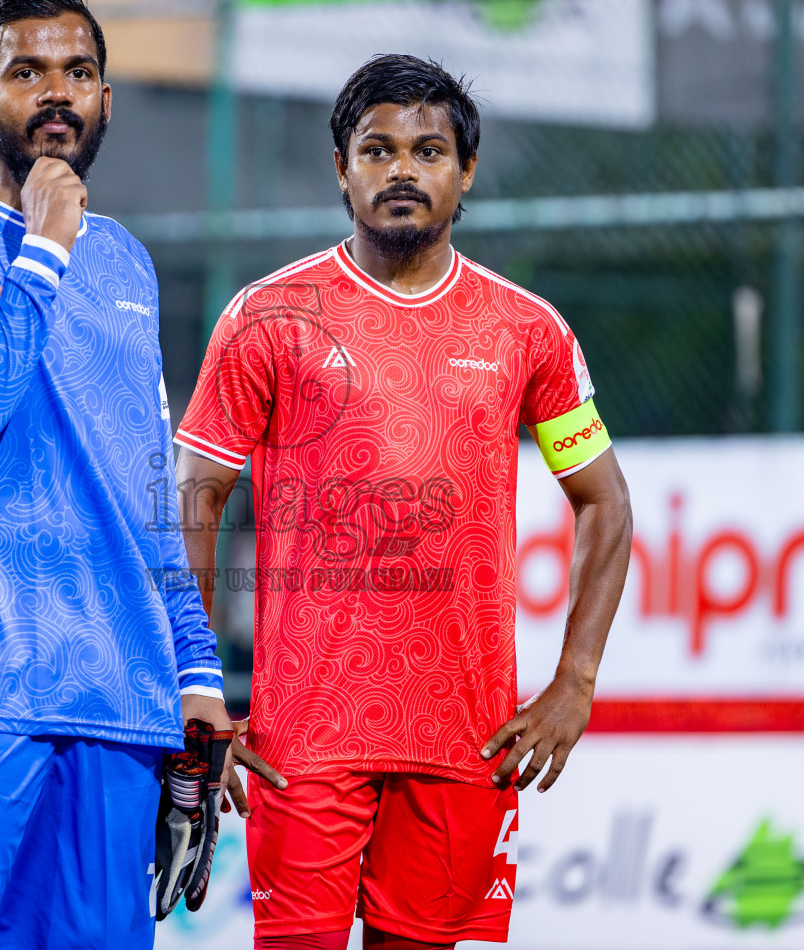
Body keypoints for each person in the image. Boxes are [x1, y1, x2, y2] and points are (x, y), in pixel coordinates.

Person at [175, 54, 634, 949]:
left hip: (467, 741)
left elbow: (604, 504)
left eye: (428, 151)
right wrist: (196, 686)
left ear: (464, 174)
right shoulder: (269, 317)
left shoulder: (526, 330)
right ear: (341, 170)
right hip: (300, 736)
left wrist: (576, 680)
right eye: (376, 149)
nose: (401, 170)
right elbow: (199, 495)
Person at [0, 0, 273, 950]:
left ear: (106, 101)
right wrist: (41, 249)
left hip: (116, 700)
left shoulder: (125, 261)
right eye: (27, 71)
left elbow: (141, 483)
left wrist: (197, 671)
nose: (57, 92)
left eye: (79, 73)